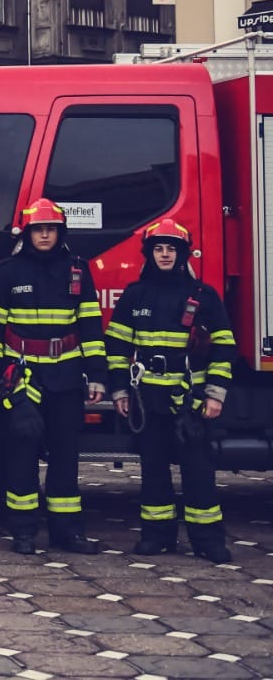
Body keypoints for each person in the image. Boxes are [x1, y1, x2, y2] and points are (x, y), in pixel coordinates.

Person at [0, 197, 106, 555]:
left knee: (66, 457)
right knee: (21, 456)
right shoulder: (7, 271)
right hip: (22, 379)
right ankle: (23, 532)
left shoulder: (78, 270)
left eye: (51, 229)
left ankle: (67, 533)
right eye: (39, 229)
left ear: (60, 232)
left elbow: (90, 327)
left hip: (66, 376)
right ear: (28, 233)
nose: (45, 235)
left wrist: (97, 376)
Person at [107, 218, 235, 563]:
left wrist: (214, 394)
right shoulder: (135, 295)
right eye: (159, 249)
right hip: (147, 399)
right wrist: (119, 391)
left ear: (182, 254)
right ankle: (157, 536)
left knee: (198, 470)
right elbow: (117, 346)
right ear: (150, 254)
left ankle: (208, 540)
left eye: (171, 249)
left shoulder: (203, 296)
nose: (165, 255)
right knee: (153, 469)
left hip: (191, 400)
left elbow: (224, 346)